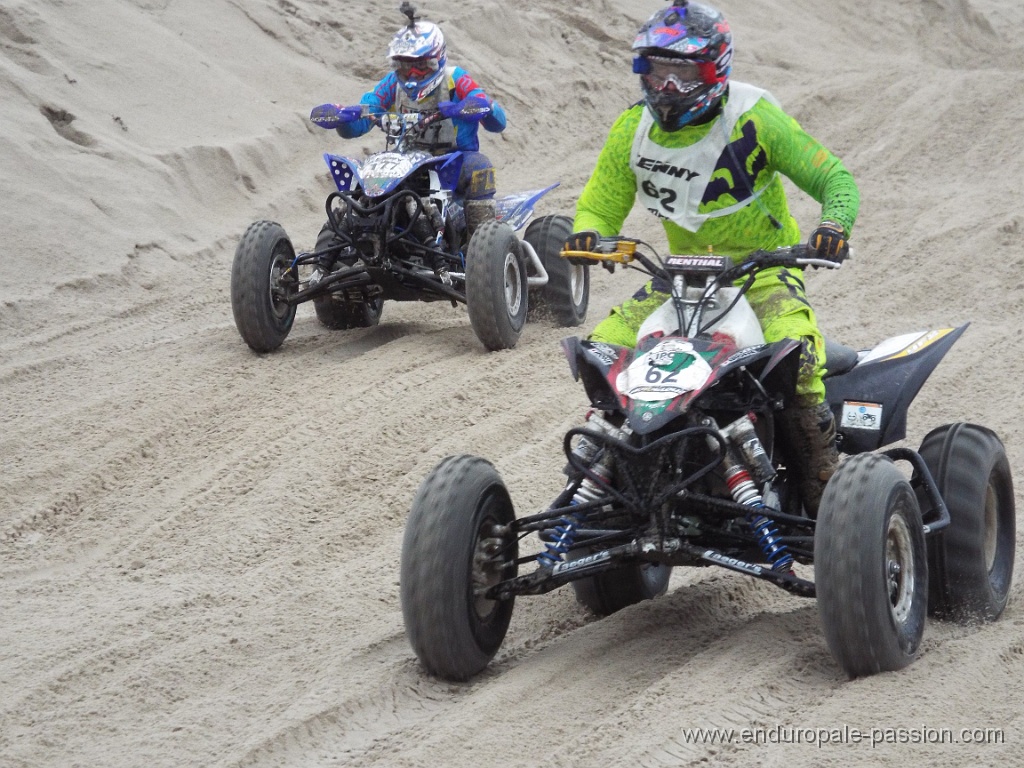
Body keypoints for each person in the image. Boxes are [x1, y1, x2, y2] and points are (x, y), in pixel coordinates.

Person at [564, 1, 859, 516]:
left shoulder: (755, 119)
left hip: (763, 270)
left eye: (683, 73)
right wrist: (591, 233)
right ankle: (597, 484)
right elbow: (600, 203)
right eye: (657, 72)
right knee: (605, 352)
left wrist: (833, 226)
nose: (668, 88)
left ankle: (822, 481)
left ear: (716, 69)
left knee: (798, 351)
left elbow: (834, 177)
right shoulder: (631, 131)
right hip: (678, 276)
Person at [335, 2, 507, 242]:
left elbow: (497, 121)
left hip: (452, 161)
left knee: (479, 166)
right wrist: (343, 119)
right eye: (405, 67)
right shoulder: (391, 84)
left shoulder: (455, 79)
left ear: (437, 59)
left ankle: (483, 242)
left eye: (420, 67)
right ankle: (345, 240)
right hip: (406, 162)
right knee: (362, 183)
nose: (412, 75)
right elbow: (363, 118)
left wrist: (473, 108)